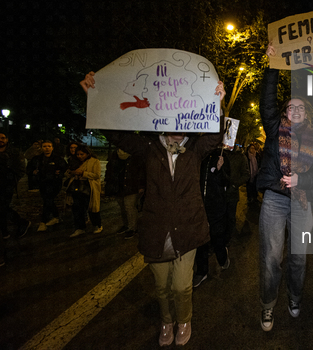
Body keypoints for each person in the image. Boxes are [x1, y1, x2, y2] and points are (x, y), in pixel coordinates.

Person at [80, 71, 226, 347]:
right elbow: (116, 134)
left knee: (182, 286)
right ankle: (166, 320)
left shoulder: (195, 149)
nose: (177, 124)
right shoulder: (148, 148)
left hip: (188, 228)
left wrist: (217, 101)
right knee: (162, 287)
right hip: (156, 229)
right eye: (172, 118)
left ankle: (184, 319)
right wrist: (93, 97)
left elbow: (216, 132)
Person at [257, 45, 313, 332]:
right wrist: (273, 65)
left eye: (300, 107)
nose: (295, 110)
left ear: (306, 113)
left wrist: (303, 181)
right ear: (285, 112)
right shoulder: (275, 128)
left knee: (298, 257)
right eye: (290, 106)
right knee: (272, 257)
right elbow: (267, 101)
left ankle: (295, 297)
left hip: (302, 201)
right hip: (274, 197)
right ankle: (268, 305)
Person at [193, 147, 231, 287]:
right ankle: (201, 271)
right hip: (199, 207)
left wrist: (220, 171)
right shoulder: (199, 155)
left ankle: (222, 257)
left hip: (217, 208)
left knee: (216, 238)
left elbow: (227, 181)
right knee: (201, 240)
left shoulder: (222, 157)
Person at [104, 148, 145, 239]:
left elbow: (141, 171)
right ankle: (126, 225)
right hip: (118, 186)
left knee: (129, 207)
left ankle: (132, 228)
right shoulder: (115, 155)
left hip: (132, 186)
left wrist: (141, 186)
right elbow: (109, 169)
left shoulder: (135, 156)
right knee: (123, 207)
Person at [27, 140, 67, 231]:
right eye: (45, 146)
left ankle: (43, 222)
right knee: (48, 200)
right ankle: (56, 217)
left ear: (52, 148)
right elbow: (29, 169)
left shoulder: (58, 159)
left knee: (48, 200)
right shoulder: (37, 159)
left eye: (49, 146)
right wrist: (33, 172)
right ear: (42, 148)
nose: (47, 148)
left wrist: (59, 174)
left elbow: (64, 168)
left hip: (54, 183)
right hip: (42, 183)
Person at [0, 131, 30, 239]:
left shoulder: (14, 152)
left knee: (3, 207)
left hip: (7, 184)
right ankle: (4, 230)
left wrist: (13, 180)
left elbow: (21, 168)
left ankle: (19, 223)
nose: (1, 140)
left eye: (3, 138)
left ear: (7, 139)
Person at [67, 145, 102, 237]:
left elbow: (97, 175)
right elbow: (68, 172)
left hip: (89, 187)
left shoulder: (94, 161)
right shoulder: (74, 161)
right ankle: (80, 228)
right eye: (78, 154)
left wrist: (83, 173)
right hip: (76, 187)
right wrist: (71, 172)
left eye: (82, 154)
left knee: (91, 207)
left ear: (87, 153)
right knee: (77, 208)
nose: (79, 156)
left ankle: (97, 225)